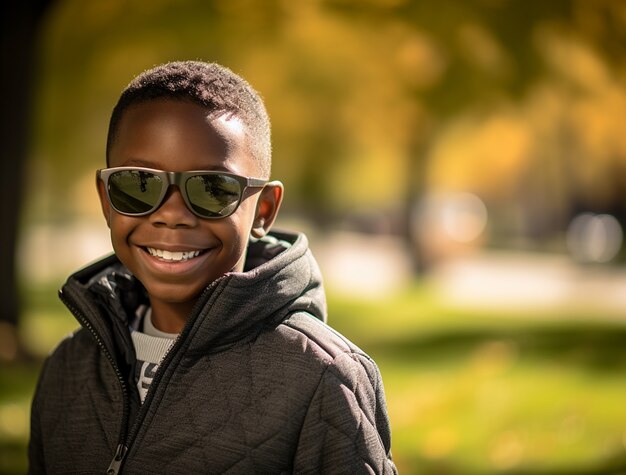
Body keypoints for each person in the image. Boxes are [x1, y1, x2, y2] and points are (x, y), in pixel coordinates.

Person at [28, 60, 397, 474]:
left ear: (264, 209)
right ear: (105, 198)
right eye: (139, 184)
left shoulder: (325, 379)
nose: (171, 215)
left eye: (211, 188)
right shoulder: (68, 368)